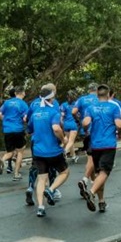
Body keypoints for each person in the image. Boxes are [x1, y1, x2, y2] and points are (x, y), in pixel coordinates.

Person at [79, 85, 121, 213]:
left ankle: (101, 201)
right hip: (108, 144)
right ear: (108, 94)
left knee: (99, 174)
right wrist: (119, 133)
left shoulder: (91, 108)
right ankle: (91, 193)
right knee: (104, 173)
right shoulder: (114, 107)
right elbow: (119, 124)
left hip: (95, 144)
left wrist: (87, 130)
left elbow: (86, 123)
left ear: (97, 95)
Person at [27, 88, 71, 217]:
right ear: (52, 98)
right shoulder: (53, 112)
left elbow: (29, 129)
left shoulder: (35, 113)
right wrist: (63, 139)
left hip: (38, 151)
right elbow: (56, 128)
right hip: (53, 150)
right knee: (64, 172)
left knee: (41, 178)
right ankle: (51, 190)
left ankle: (40, 207)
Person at [0, 86, 28, 180]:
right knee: (20, 151)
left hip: (7, 130)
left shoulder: (7, 102)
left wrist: (5, 121)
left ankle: (2, 160)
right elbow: (25, 118)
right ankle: (16, 174)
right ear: (22, 93)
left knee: (10, 152)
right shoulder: (23, 104)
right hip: (18, 129)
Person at [72, 84, 99, 193]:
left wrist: (79, 120)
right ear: (96, 90)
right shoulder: (99, 99)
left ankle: (92, 182)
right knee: (92, 158)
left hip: (85, 130)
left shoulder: (82, 99)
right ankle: (85, 179)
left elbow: (73, 111)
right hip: (97, 131)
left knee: (89, 156)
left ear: (89, 90)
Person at [60, 90, 80, 161]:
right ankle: (63, 152)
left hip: (66, 124)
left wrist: (62, 124)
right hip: (73, 124)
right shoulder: (76, 104)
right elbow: (78, 114)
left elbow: (61, 116)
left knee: (68, 140)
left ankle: (73, 156)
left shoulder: (63, 105)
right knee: (71, 141)